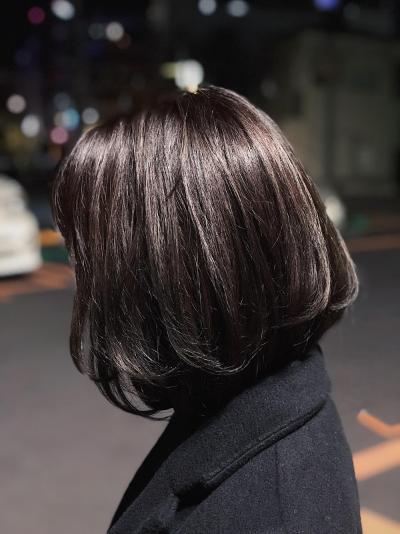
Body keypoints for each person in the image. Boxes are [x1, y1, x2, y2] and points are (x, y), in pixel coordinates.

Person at [51, 86, 362, 533]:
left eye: (91, 256)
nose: (82, 276)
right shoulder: (257, 397)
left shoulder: (267, 513)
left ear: (160, 274)